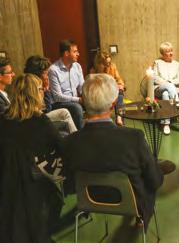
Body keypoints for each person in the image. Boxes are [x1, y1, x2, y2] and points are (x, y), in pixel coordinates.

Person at [61, 73, 163, 226]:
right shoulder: (134, 138)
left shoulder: (70, 142)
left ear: (83, 102)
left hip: (90, 200)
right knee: (151, 174)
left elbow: (69, 184)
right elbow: (154, 180)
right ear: (114, 103)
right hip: (131, 203)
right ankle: (140, 219)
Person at [0, 74, 63, 243]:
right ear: (34, 94)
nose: (44, 91)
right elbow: (60, 147)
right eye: (41, 89)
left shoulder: (3, 119)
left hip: (10, 178)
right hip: (36, 179)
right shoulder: (40, 122)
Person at [24, 55, 77, 134]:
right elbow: (47, 109)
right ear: (38, 74)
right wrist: (46, 91)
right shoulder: (31, 87)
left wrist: (46, 90)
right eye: (45, 73)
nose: (47, 76)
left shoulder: (32, 83)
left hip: (40, 117)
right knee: (64, 113)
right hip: (35, 121)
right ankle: (76, 138)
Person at [151, 41, 179, 134]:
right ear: (163, 53)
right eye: (168, 51)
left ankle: (166, 124)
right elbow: (155, 78)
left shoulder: (177, 64)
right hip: (159, 88)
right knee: (166, 88)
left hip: (173, 90)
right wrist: (166, 83)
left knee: (166, 94)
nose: (171, 53)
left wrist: (170, 83)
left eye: (171, 50)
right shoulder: (157, 63)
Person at [49, 39, 84, 129]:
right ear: (66, 53)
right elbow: (57, 96)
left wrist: (89, 96)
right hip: (59, 103)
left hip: (76, 100)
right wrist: (78, 100)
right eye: (75, 51)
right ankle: (80, 137)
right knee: (76, 108)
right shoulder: (53, 70)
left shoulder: (77, 66)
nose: (78, 54)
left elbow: (81, 88)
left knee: (96, 103)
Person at [91, 51, 125, 126]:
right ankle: (117, 119)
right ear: (99, 63)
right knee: (117, 95)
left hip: (113, 90)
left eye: (109, 62)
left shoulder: (112, 66)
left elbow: (118, 78)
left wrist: (120, 85)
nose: (108, 65)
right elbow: (93, 86)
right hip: (101, 93)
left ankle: (119, 118)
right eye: (106, 63)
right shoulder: (94, 71)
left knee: (120, 94)